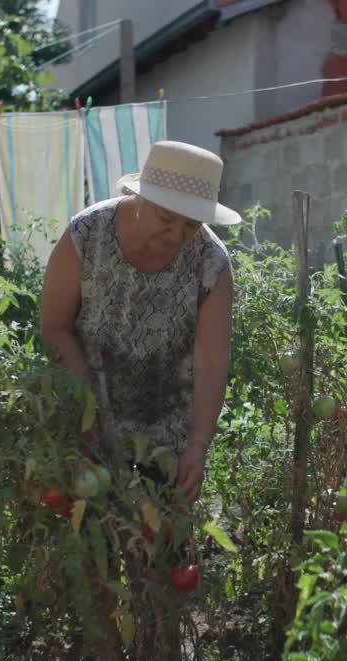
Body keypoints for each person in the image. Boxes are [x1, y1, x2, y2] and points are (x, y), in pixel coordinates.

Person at [40, 139, 240, 502]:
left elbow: (212, 362)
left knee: (159, 551)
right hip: (81, 429)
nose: (177, 234)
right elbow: (54, 326)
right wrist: (88, 408)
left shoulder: (212, 264)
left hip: (163, 447)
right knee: (78, 544)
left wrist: (197, 446)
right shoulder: (86, 237)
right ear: (140, 199)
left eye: (191, 224)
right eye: (167, 218)